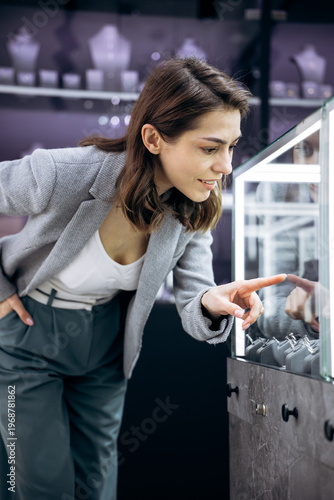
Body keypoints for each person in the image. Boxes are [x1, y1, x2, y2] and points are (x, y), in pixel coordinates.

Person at [0, 57, 285, 500]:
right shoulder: (63, 173)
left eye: (232, 147)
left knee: (96, 485)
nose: (226, 166)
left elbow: (195, 301)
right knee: (38, 485)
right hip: (26, 337)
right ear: (153, 138)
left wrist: (212, 301)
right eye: (210, 148)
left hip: (105, 346)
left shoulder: (194, 210)